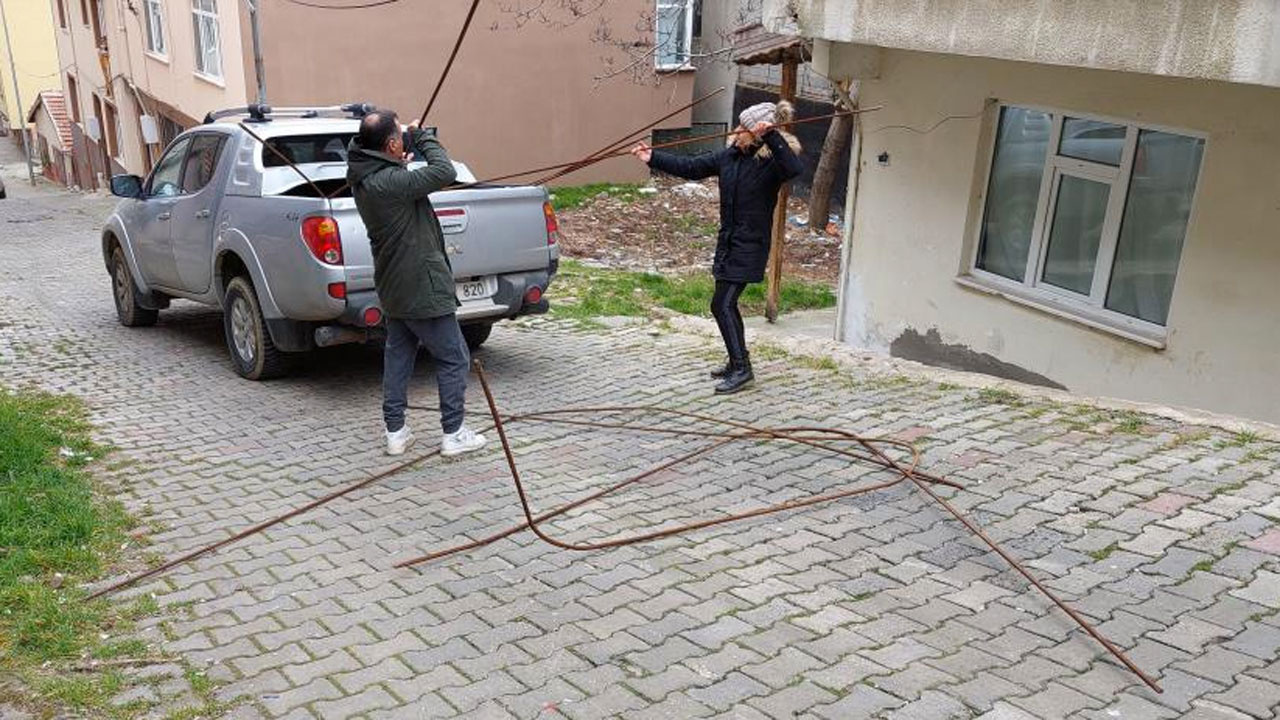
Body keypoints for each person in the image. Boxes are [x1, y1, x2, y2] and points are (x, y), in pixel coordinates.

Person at [631, 101, 804, 394]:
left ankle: (741, 368)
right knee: (725, 305)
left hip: (750, 245)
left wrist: (773, 136)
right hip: (728, 243)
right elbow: (692, 167)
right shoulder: (731, 157)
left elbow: (794, 168)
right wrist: (652, 158)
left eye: (743, 128)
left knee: (721, 304)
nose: (737, 131)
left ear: (758, 132)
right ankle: (737, 361)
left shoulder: (771, 164)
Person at [346, 110, 487, 457]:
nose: (404, 139)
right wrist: (422, 136)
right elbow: (444, 170)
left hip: (394, 283)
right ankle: (453, 433)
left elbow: (391, 175)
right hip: (422, 285)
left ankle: (396, 431)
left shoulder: (366, 175)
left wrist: (398, 158)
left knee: (399, 356)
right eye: (399, 136)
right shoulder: (390, 182)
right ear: (392, 144)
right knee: (454, 357)